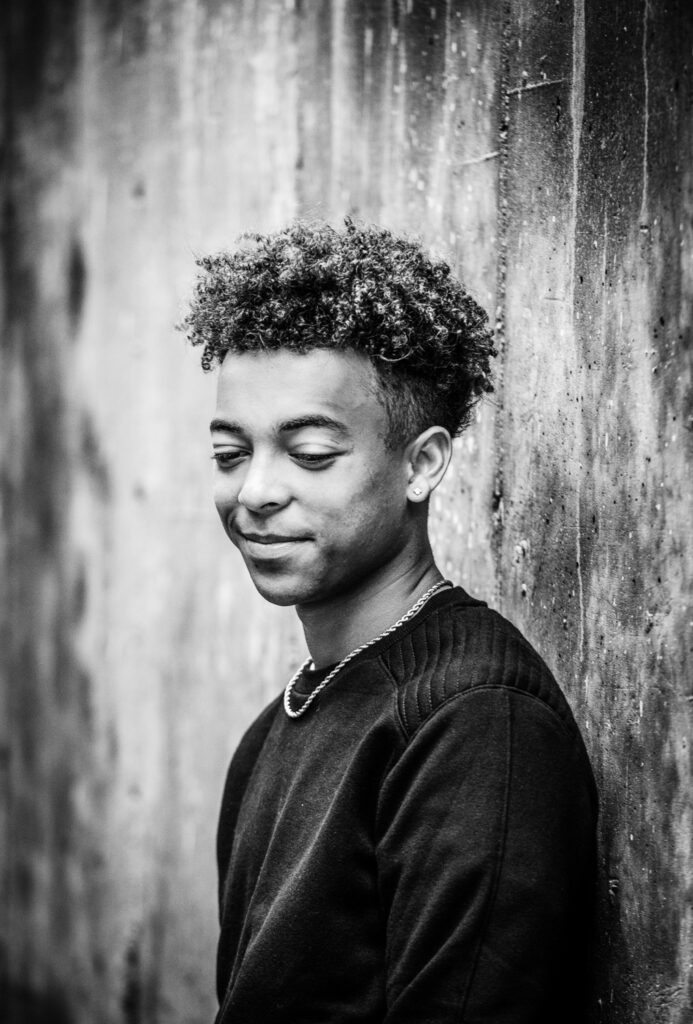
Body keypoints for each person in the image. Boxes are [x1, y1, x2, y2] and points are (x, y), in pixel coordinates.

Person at [182, 220, 598, 1024]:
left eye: (310, 453)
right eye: (231, 454)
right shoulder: (278, 728)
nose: (255, 492)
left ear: (421, 463)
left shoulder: (476, 725)